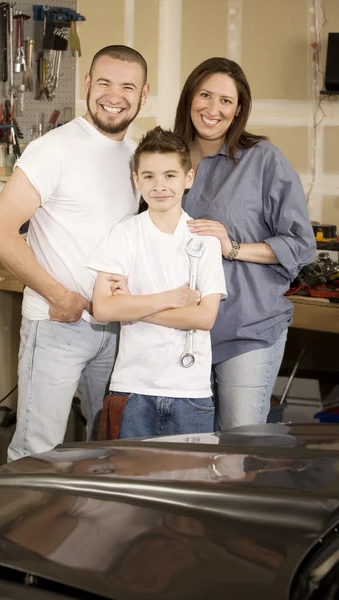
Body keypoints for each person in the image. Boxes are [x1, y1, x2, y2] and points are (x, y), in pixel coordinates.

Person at [0, 45, 150, 460]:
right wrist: (60, 297)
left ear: (144, 94)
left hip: (112, 328)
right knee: (37, 449)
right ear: (88, 84)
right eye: (105, 83)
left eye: (127, 86)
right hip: (58, 324)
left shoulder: (134, 158)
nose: (115, 96)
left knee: (107, 448)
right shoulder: (53, 149)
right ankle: (21, 525)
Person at [172, 57, 316, 430]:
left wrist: (232, 247)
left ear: (238, 111)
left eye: (225, 101)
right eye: (205, 95)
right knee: (186, 454)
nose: (213, 109)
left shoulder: (263, 160)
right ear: (189, 98)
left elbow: (300, 245)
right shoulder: (167, 159)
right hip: (181, 332)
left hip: (247, 330)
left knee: (237, 453)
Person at [88, 127, 227, 439]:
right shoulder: (123, 235)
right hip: (131, 389)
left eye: (169, 175)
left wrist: (132, 306)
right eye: (148, 176)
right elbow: (103, 308)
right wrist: (174, 298)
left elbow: (204, 318)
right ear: (136, 180)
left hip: (189, 392)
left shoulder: (204, 241)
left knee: (187, 485)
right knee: (126, 484)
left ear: (188, 178)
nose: (159, 186)